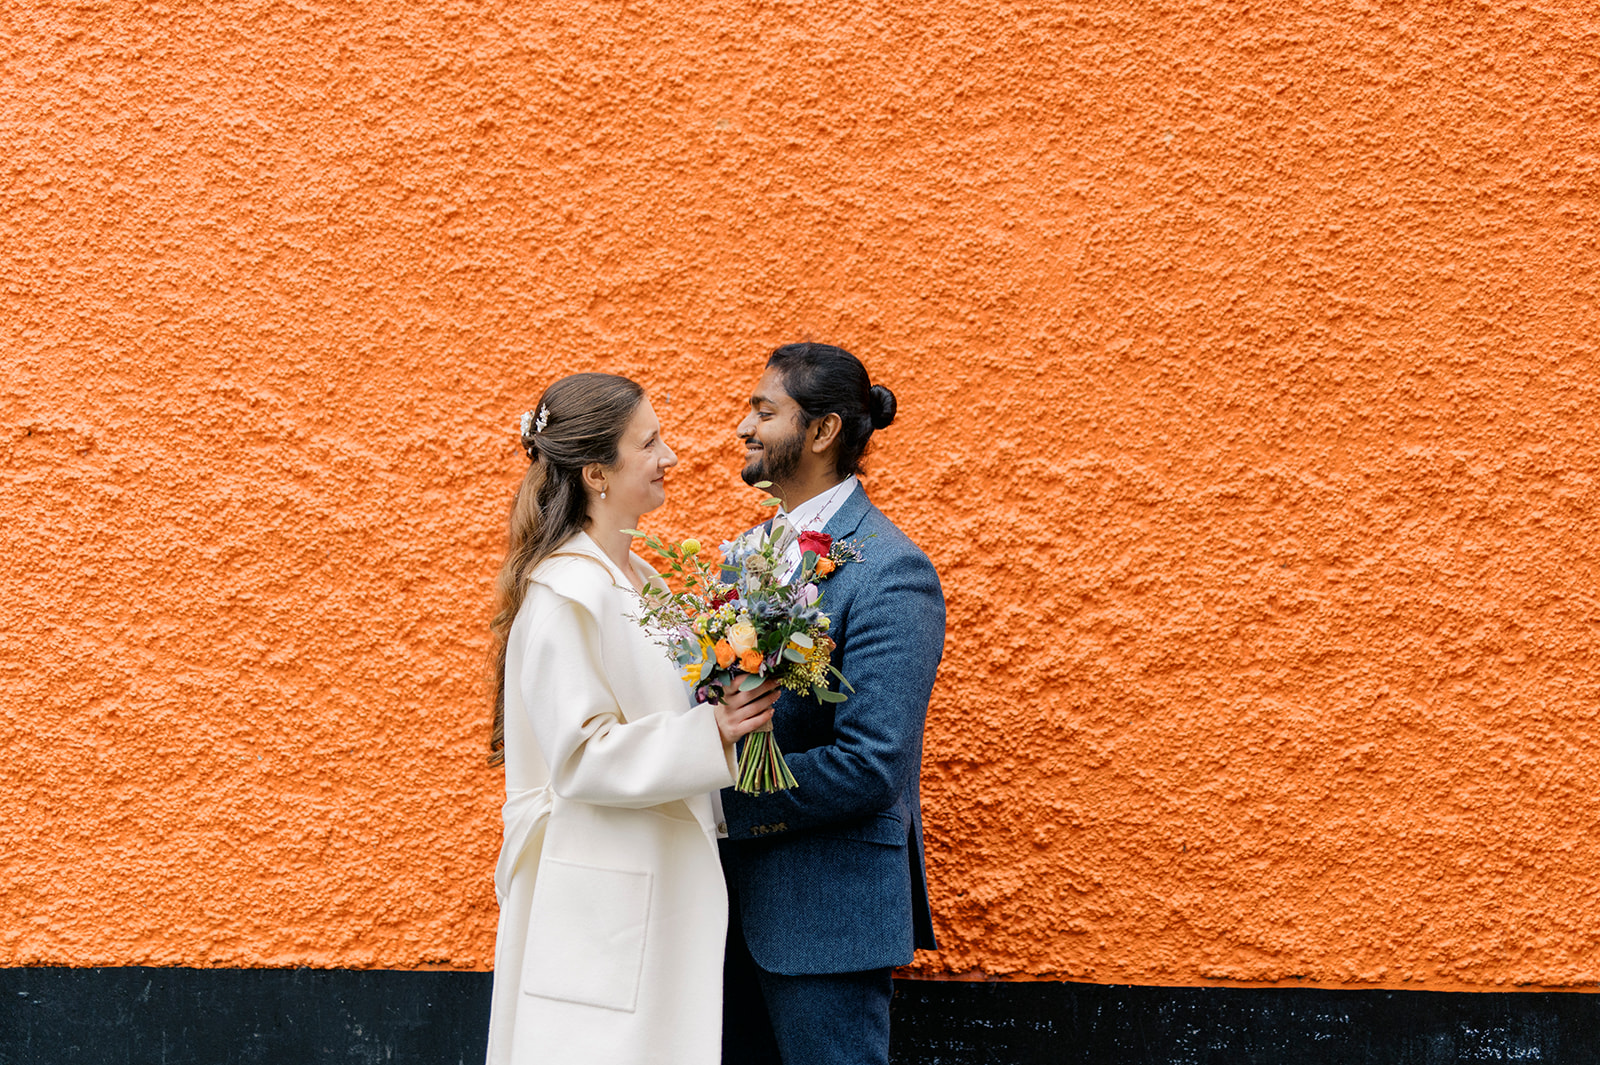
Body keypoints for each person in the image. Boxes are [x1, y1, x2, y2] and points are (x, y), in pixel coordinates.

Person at [484, 372, 781, 1065]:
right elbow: (580, 755)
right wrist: (715, 731)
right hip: (601, 902)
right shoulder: (566, 593)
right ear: (596, 473)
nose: (669, 457)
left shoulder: (642, 581)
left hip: (652, 891)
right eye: (649, 443)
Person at [718, 343, 945, 1065]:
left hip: (827, 917)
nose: (743, 427)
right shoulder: (740, 555)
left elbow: (872, 762)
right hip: (715, 913)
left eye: (764, 410)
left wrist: (724, 801)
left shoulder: (890, 570)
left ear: (821, 431)